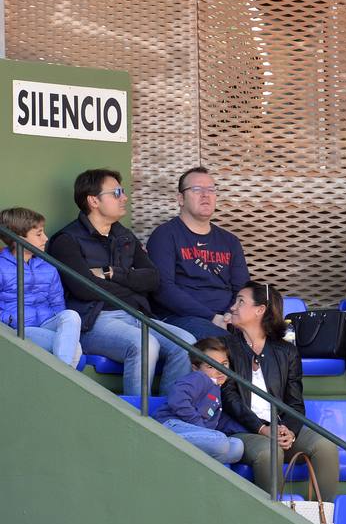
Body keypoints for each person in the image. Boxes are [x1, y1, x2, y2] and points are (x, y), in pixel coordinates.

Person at [48, 169, 192, 396]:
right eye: (116, 193)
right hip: (95, 321)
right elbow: (85, 288)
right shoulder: (67, 240)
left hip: (136, 316)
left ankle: (170, 415)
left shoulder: (124, 235)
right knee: (146, 344)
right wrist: (133, 287)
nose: (124, 197)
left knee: (186, 343)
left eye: (123, 192)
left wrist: (112, 273)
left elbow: (153, 279)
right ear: (93, 200)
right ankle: (139, 418)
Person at [219, 282, 339, 497]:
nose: (232, 307)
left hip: (279, 427)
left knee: (326, 447)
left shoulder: (287, 352)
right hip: (244, 429)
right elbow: (229, 398)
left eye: (240, 301)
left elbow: (295, 403)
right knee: (269, 452)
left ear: (260, 310)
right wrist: (263, 429)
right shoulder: (225, 346)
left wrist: (290, 431)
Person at [147, 167, 249, 343]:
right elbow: (163, 289)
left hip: (226, 317)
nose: (205, 195)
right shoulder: (165, 235)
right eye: (196, 190)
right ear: (181, 198)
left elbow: (242, 287)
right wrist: (211, 317)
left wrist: (229, 315)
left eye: (211, 190)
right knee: (226, 344)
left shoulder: (230, 241)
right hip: (181, 318)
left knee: (270, 341)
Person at [0, 206, 82, 367]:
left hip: (46, 324)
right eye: (38, 234)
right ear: (19, 238)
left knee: (71, 315)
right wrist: (8, 318)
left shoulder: (48, 266)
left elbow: (57, 304)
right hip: (20, 329)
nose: (45, 238)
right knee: (76, 349)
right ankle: (63, 380)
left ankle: (61, 379)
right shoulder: (1, 266)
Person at [153, 336, 245, 464]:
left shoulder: (216, 388)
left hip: (198, 432)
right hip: (173, 424)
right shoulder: (199, 377)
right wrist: (200, 426)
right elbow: (177, 398)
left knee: (237, 446)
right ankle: (161, 440)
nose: (220, 371)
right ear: (196, 368)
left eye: (224, 364)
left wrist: (250, 429)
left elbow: (219, 421)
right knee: (220, 441)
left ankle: (195, 458)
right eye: (211, 366)